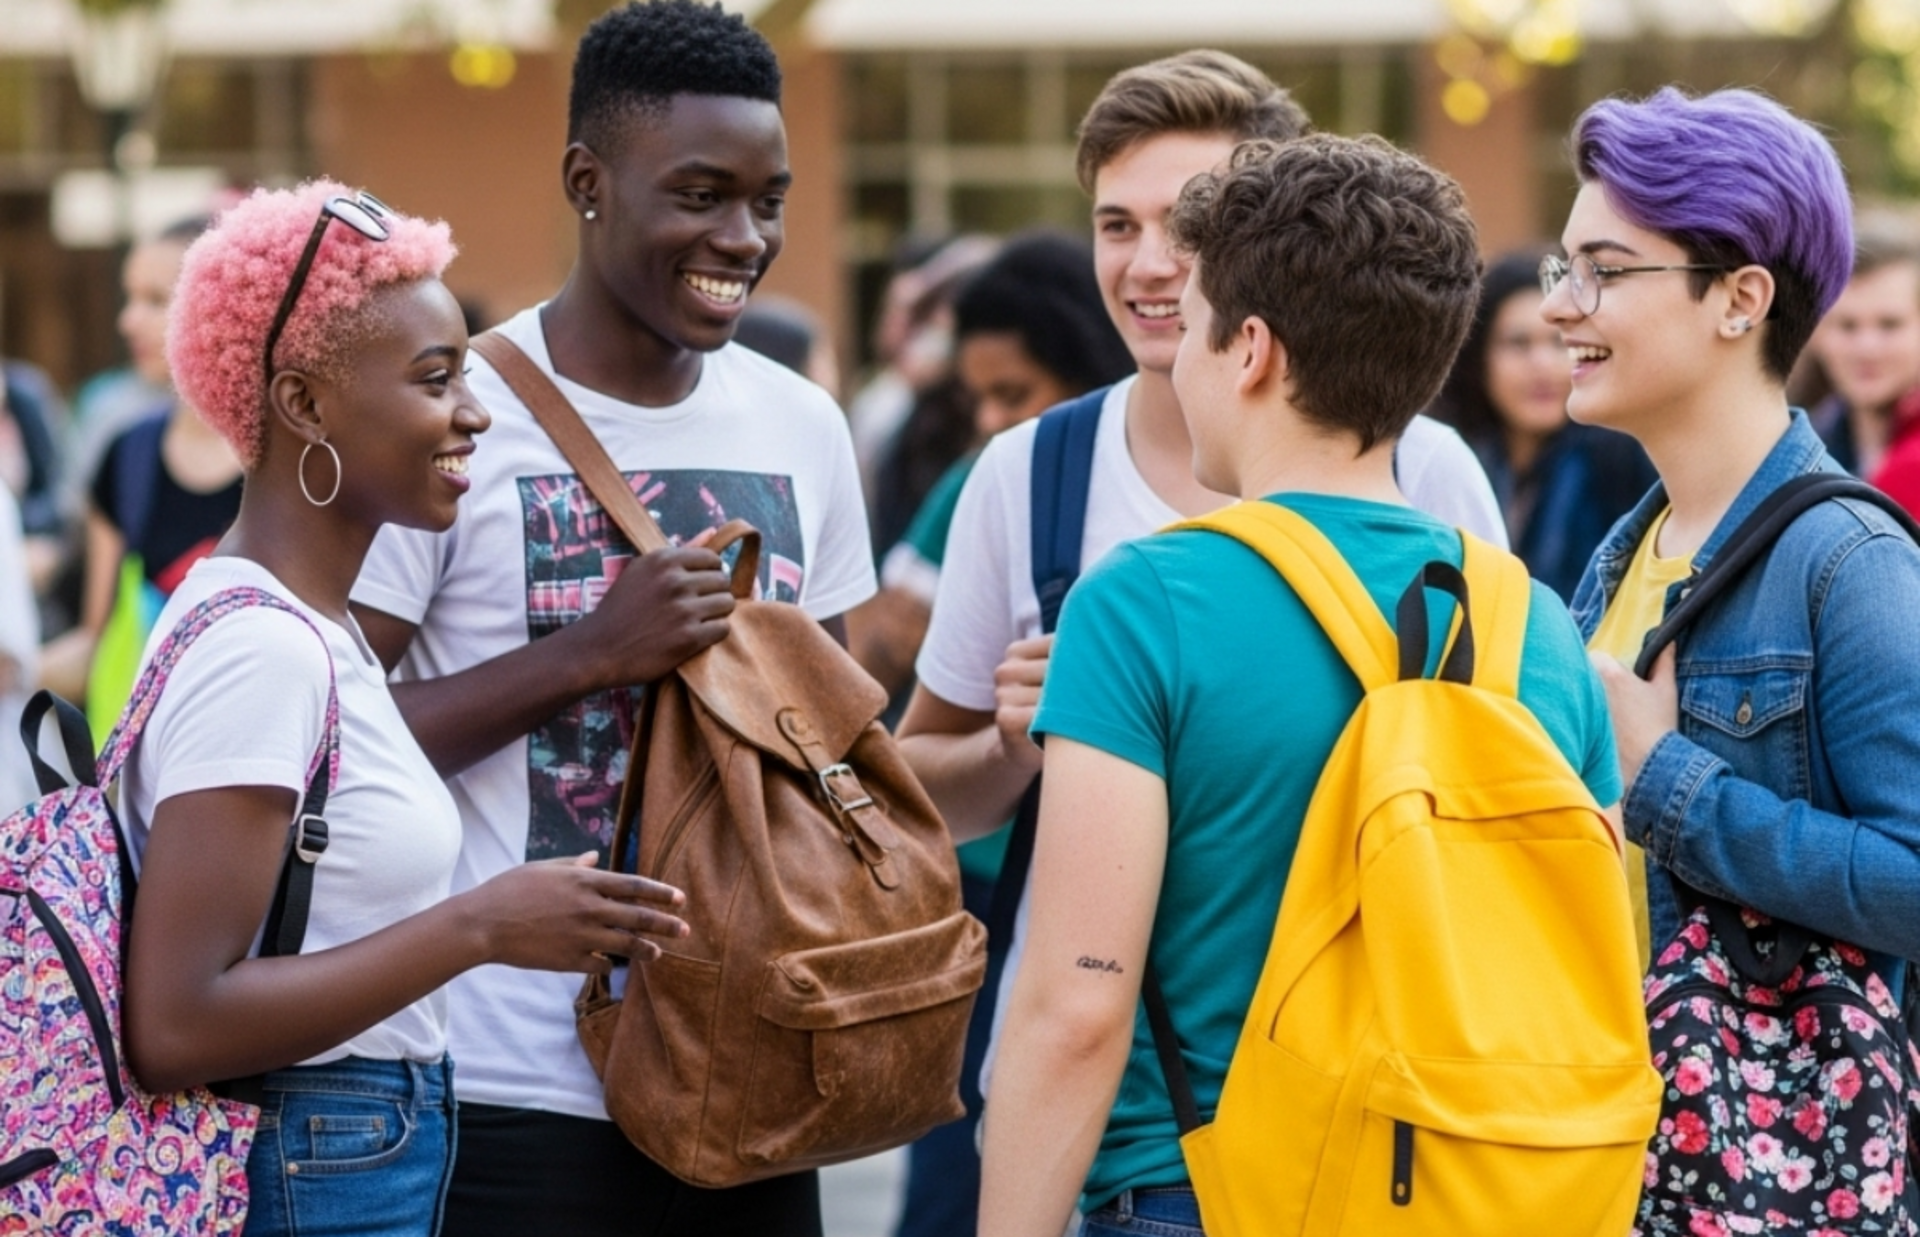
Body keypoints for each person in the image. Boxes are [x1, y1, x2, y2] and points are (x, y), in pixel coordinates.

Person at [974, 132, 1620, 1237]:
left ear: (1253, 352)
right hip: (1469, 1191)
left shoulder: (1144, 602)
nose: (1175, 356)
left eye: (1197, 320)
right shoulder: (1533, 621)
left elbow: (1077, 1006)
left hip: (1204, 1186)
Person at [896, 49, 1507, 1127]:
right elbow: (915, 793)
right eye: (1114, 224)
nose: (1147, 264)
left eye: (1187, 225)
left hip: (1366, 1086)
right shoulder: (1029, 472)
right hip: (1099, 1109)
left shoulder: (1425, 471)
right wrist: (1012, 741)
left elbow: (1493, 776)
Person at [347, 5, 875, 1234]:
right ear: (588, 181)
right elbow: (338, 742)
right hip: (507, 1088)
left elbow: (833, 740)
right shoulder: (452, 417)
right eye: (700, 195)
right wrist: (592, 654)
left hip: (750, 1067)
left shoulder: (803, 424)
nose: (742, 240)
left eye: (769, 200)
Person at [121, 182, 688, 1237]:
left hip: (345, 1148)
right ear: (304, 405)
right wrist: (482, 924)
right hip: (308, 1160)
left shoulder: (313, 629)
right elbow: (175, 1019)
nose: (473, 411)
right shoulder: (262, 647)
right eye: (436, 379)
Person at [1555, 86, 1920, 1212]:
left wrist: (1670, 782)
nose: (1566, 305)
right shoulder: (1626, 553)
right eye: (1561, 268)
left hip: (1762, 1171)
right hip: (1609, 1148)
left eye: (1605, 271)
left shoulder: (1848, 560)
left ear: (1741, 298)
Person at [861, 230, 1130, 1237]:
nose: (991, 421)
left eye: (1014, 392)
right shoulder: (1003, 477)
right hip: (989, 883)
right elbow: (881, 639)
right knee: (960, 1169)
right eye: (980, 397)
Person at [37, 217, 245, 736]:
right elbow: (100, 640)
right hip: (146, 779)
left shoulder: (294, 458)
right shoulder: (127, 455)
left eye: (156, 299)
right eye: (129, 298)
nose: (128, 321)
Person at [1433, 249, 1654, 599]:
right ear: (1478, 357)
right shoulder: (1451, 460)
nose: (1543, 365)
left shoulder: (1619, 460)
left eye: (1559, 342)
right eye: (1518, 344)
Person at [1804, 217, 1920, 477]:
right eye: (1847, 326)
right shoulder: (1800, 454)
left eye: (1890, 325)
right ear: (1817, 334)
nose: (1867, 348)